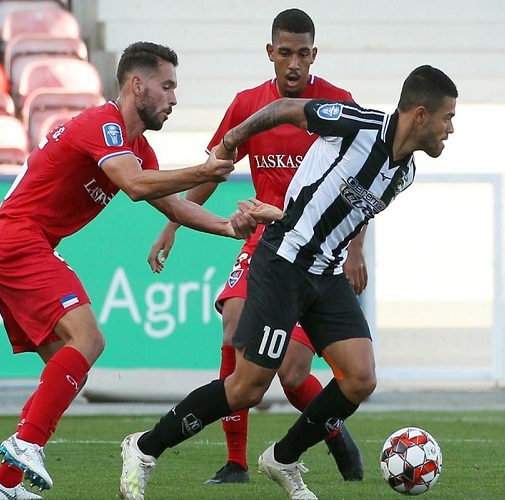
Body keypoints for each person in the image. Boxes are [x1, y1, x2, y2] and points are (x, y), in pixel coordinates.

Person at [120, 64, 458, 500]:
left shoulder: (404, 173)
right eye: (448, 118)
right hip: (283, 262)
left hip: (326, 273)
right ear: (420, 114)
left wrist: (309, 229)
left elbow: (339, 211)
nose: (450, 129)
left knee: (360, 379)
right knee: (247, 388)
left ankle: (282, 458)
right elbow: (282, 108)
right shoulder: (357, 125)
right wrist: (230, 141)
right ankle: (144, 448)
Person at [0, 41, 281, 500]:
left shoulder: (135, 146)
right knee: (89, 340)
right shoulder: (103, 125)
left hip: (11, 245)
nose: (174, 98)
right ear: (137, 85)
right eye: (167, 86)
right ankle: (26, 445)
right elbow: (136, 185)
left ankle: (4, 486)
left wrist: (228, 226)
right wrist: (203, 170)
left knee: (69, 367)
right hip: (18, 241)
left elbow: (172, 205)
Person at [146, 8, 364, 485]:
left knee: (293, 374)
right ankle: (236, 462)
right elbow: (214, 167)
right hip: (266, 244)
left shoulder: (338, 104)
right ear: (270, 52)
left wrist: (354, 250)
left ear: (314, 55)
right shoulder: (248, 105)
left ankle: (332, 430)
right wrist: (174, 223)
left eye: (302, 54)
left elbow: (360, 182)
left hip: (318, 252)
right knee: (232, 325)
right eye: (284, 53)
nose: (293, 64)